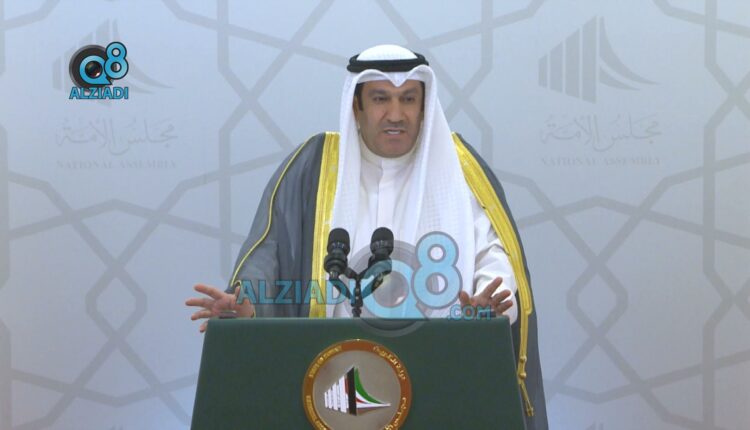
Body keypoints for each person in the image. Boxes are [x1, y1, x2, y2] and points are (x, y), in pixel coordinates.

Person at [185, 44, 547, 429]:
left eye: (409, 99)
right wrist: (250, 305)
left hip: (440, 376)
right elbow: (269, 251)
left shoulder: (459, 168)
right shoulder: (316, 165)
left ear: (425, 106)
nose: (396, 114)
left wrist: (490, 308)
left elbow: (494, 254)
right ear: (356, 106)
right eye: (380, 99)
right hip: (330, 382)